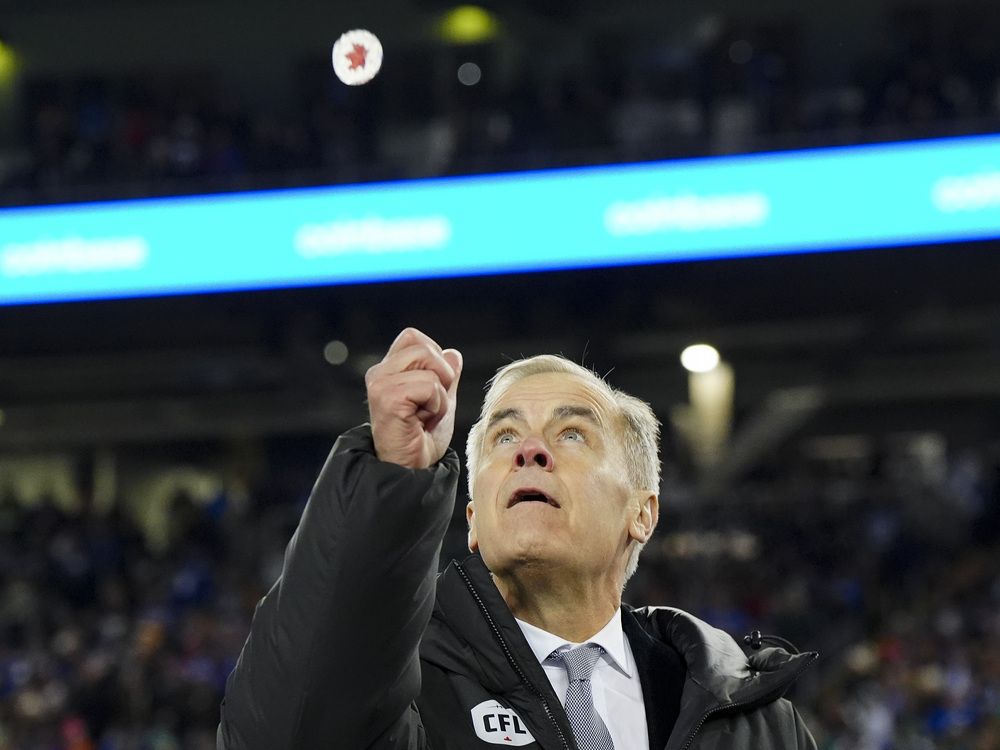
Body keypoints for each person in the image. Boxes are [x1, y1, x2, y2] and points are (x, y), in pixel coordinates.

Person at [217, 328, 818, 749]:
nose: (531, 450)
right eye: (505, 438)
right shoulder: (405, 688)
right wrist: (391, 479)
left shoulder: (754, 721)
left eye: (574, 434)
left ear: (643, 513)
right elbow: (292, 731)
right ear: (473, 519)